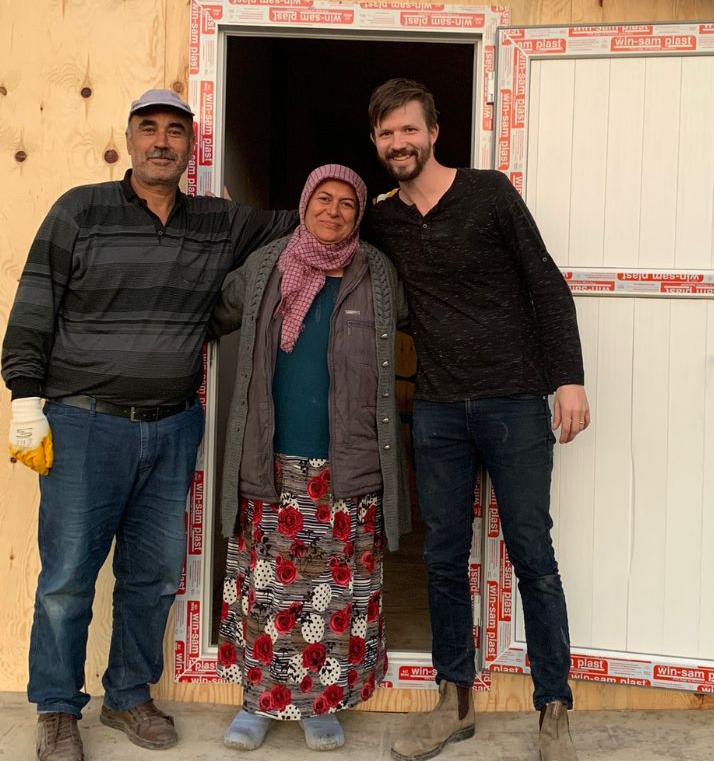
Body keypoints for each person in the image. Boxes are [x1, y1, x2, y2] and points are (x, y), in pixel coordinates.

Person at [2, 89, 296, 761]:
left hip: (171, 428)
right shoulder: (80, 210)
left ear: (191, 148)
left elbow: (305, 222)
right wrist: (25, 400)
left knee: (156, 575)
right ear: (129, 139)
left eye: (175, 132)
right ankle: (55, 708)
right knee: (69, 576)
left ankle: (130, 695)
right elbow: (35, 303)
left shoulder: (218, 223)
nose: (161, 141)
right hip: (81, 426)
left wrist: (385, 207)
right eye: (149, 129)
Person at [365, 79, 591, 761]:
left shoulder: (490, 192)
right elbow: (324, 220)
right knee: (440, 557)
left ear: (434, 131)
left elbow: (543, 282)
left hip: (515, 401)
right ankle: (455, 699)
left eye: (409, 129)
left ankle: (553, 708)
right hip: (436, 408)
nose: (399, 143)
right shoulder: (384, 219)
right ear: (375, 142)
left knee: (532, 553)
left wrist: (568, 377)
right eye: (385, 134)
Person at [211, 163, 409, 753]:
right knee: (267, 589)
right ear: (303, 202)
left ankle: (322, 705)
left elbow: (414, 322)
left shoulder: (376, 272)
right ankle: (256, 703)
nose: (333, 211)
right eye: (323, 198)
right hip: (270, 458)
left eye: (347, 203)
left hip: (346, 465)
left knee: (335, 591)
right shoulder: (266, 266)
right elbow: (216, 312)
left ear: (360, 213)